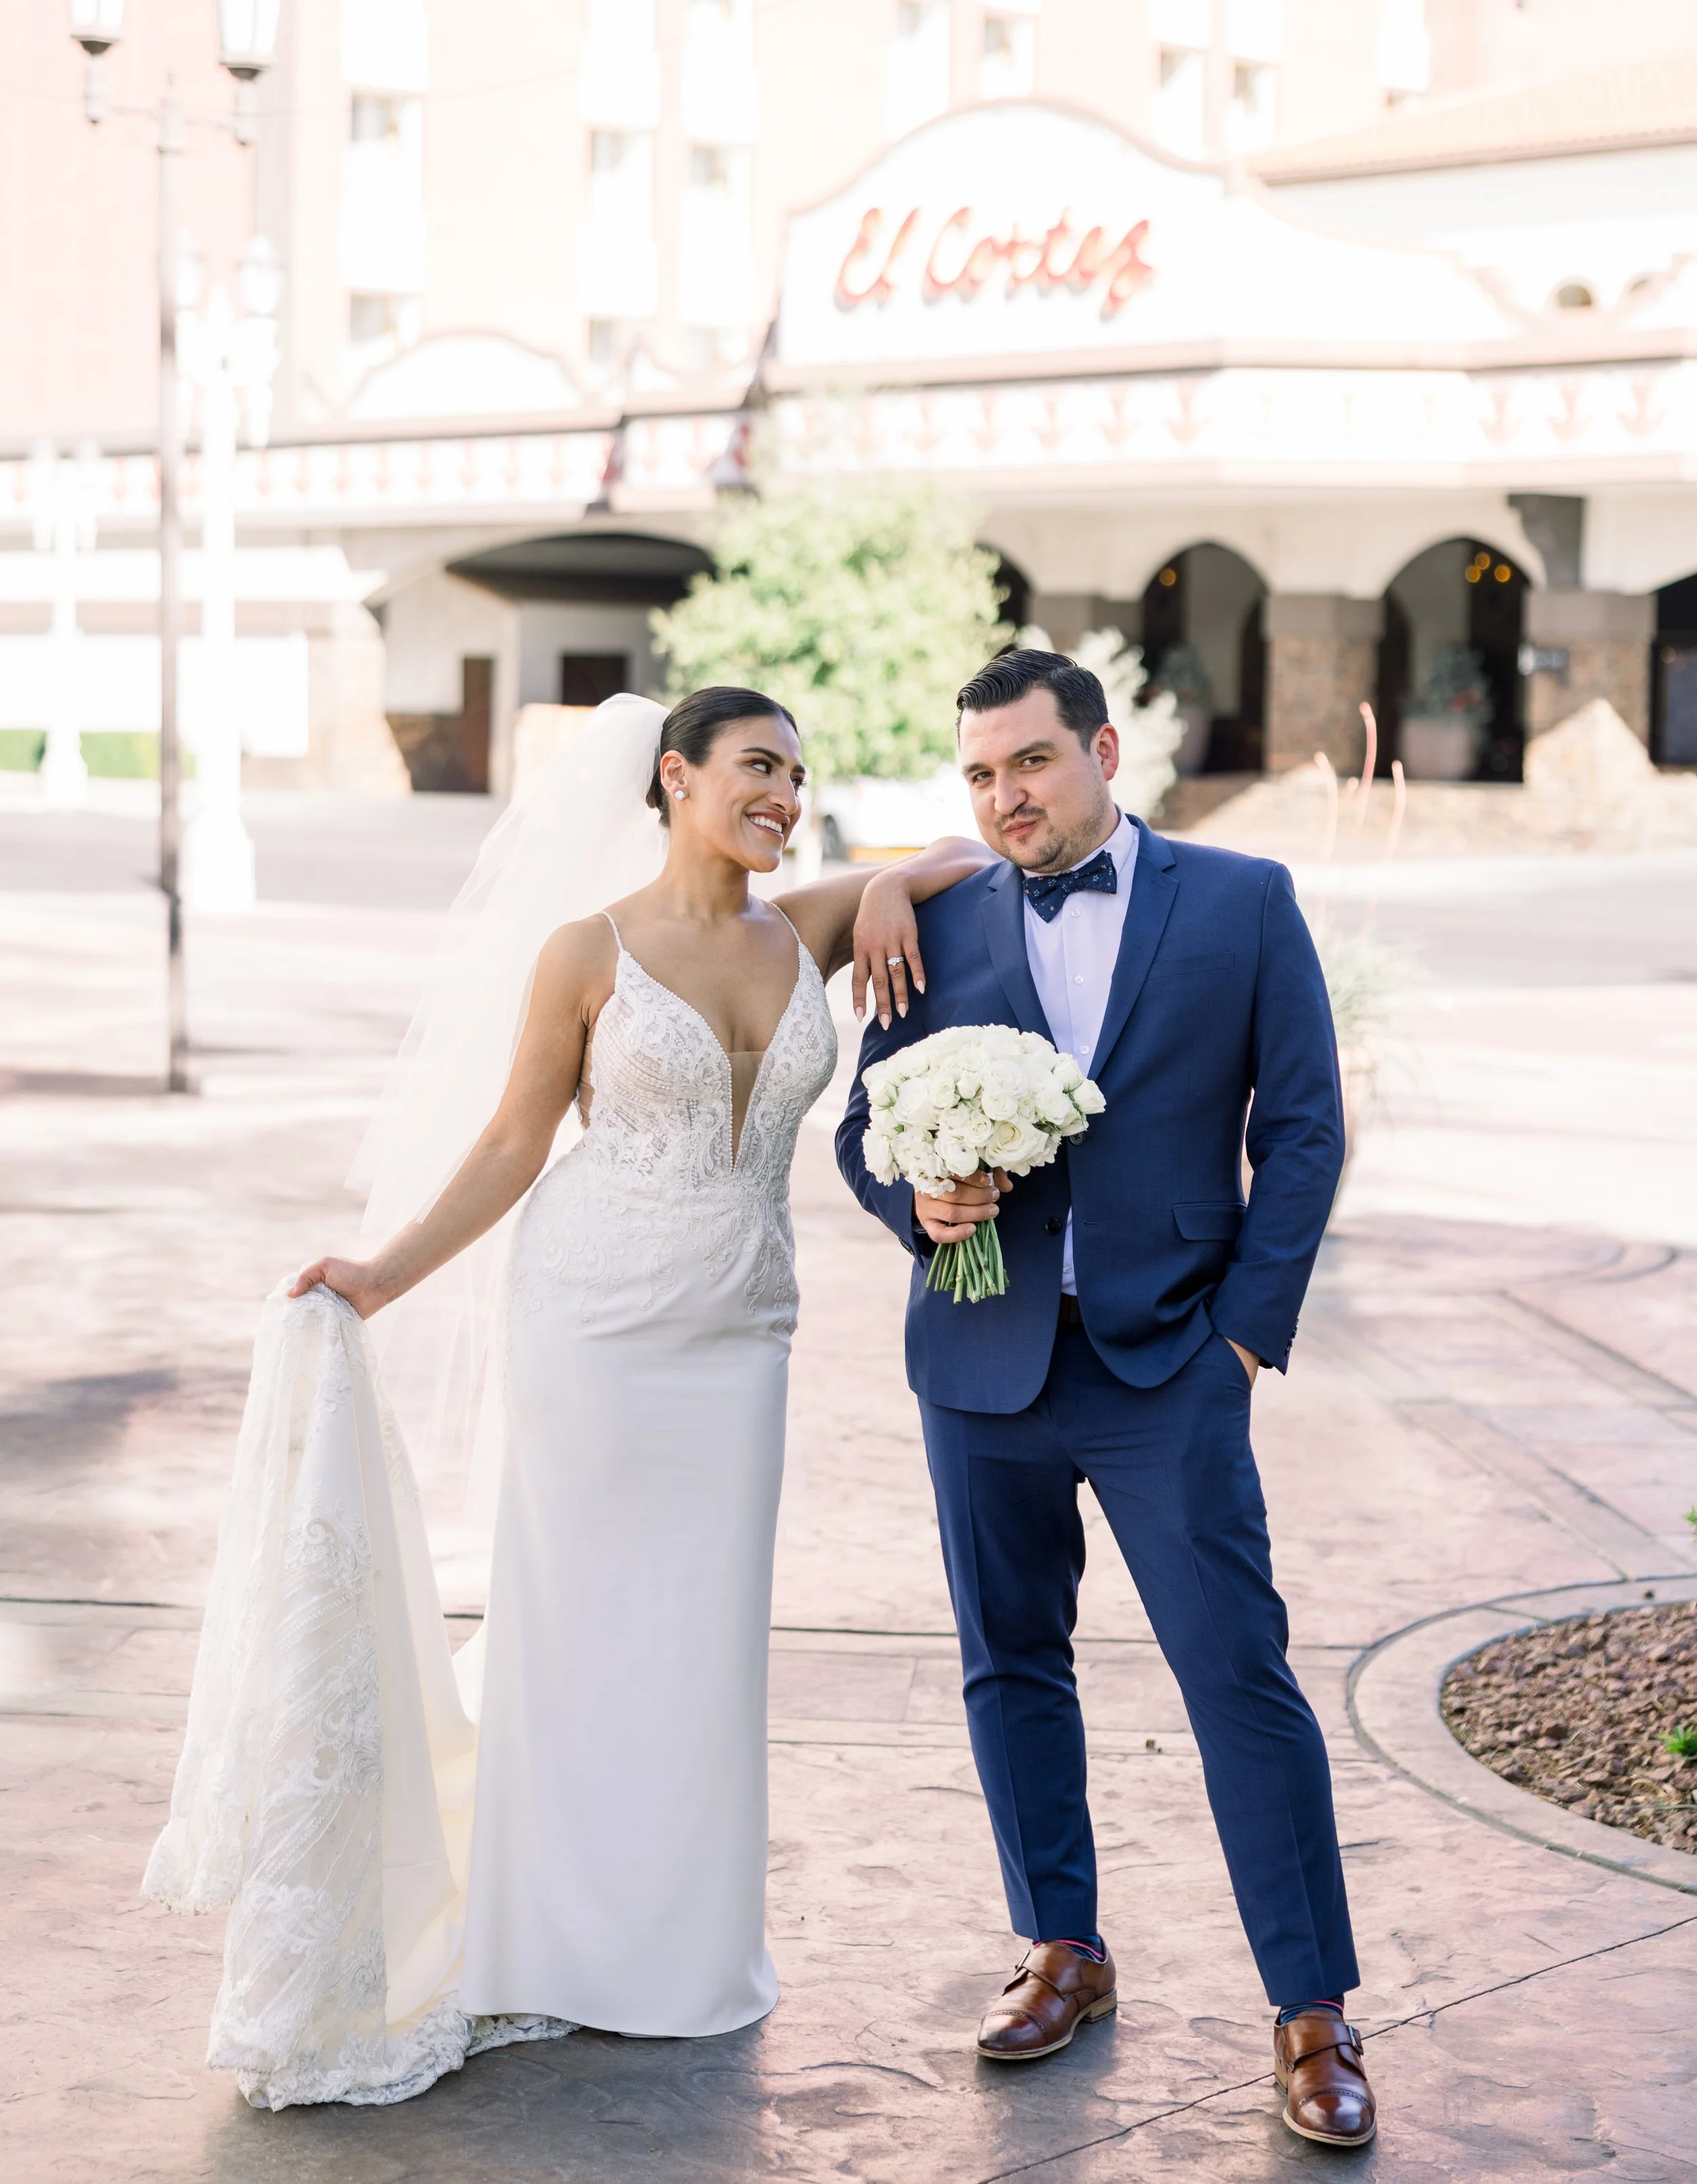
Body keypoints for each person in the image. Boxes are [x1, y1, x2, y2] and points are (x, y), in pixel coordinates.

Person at [145, 687, 990, 2109]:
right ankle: (548, 1938)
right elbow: (511, 1138)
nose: (782, 795)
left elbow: (964, 861)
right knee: (576, 1626)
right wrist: (380, 1273)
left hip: (741, 1341)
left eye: (796, 773)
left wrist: (896, 880)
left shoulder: (809, 925)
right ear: (675, 777)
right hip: (593, 1322)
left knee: (702, 1641)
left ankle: (678, 1948)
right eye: (753, 769)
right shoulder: (584, 950)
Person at [836, 646, 1376, 2150]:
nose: (1005, 797)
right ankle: (1059, 1947)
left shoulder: (1240, 903)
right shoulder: (936, 921)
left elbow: (1308, 1128)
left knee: (1235, 1676)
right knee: (1010, 1662)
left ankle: (1312, 2010)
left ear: (1102, 751)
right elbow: (859, 1127)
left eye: (1030, 763)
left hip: (1170, 1368)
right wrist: (917, 1205)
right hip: (979, 1359)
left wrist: (1242, 1342)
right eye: (979, 776)